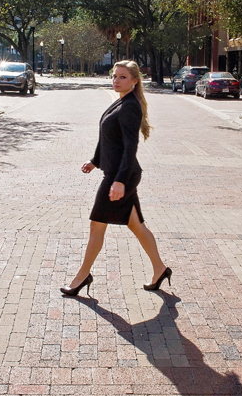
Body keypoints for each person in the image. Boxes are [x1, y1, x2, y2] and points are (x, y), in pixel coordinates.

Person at [61, 60, 172, 297]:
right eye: (114, 76)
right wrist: (95, 161)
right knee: (136, 225)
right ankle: (160, 269)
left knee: (96, 225)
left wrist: (120, 181)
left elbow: (130, 147)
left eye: (123, 77)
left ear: (134, 81)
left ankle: (82, 276)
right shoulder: (120, 101)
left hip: (121, 176)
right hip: (120, 173)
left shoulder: (130, 106)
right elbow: (108, 138)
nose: (116, 80)